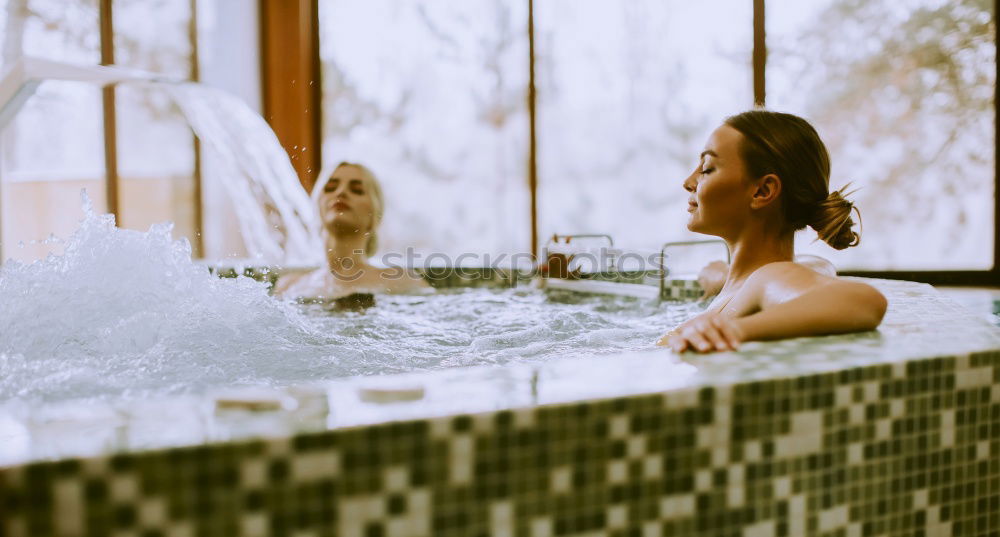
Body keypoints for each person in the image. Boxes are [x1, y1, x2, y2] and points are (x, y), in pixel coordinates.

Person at [657, 110, 887, 353]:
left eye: (707, 168)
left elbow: (864, 301)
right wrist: (725, 277)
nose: (688, 181)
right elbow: (799, 273)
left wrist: (735, 330)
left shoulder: (771, 277)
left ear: (763, 191)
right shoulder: (793, 269)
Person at [273, 161, 427, 302]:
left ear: (375, 215)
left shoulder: (402, 282)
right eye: (330, 188)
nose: (340, 193)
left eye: (357, 190)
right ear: (318, 207)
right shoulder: (288, 286)